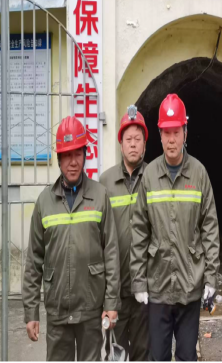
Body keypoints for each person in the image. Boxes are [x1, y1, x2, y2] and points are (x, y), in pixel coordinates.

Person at [130, 93, 220, 361]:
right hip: (157, 286)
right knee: (158, 356)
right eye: (166, 132)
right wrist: (139, 281)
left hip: (189, 286)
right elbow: (139, 231)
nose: (171, 139)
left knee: (186, 355)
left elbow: (210, 229)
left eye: (176, 132)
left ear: (185, 133)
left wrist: (211, 278)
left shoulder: (199, 174)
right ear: (159, 135)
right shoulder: (149, 176)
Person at [23, 116, 120, 361]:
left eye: (78, 154)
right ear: (59, 159)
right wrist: (31, 312)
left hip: (90, 309)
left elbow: (111, 253)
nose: (73, 162)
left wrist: (111, 303)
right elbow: (34, 260)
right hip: (57, 310)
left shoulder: (99, 196)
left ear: (85, 155)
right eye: (67, 155)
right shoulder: (44, 202)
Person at [99, 105, 150, 360]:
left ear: (144, 145)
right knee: (116, 355)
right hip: (115, 291)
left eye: (137, 139)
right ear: (120, 144)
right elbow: (99, 237)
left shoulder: (154, 177)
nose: (132, 144)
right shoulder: (105, 183)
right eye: (128, 139)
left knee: (144, 352)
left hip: (145, 289)